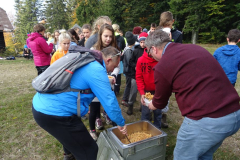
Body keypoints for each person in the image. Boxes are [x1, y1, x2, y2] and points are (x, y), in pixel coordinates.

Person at [146, 29, 240, 160]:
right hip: (234, 114)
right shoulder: (195, 48)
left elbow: (160, 102)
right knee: (204, 154)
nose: (150, 56)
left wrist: (151, 104)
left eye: (149, 52)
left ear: (154, 49)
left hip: (209, 119)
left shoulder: (163, 65)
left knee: (183, 156)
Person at [32, 46, 127, 160]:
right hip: (55, 114)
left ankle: (69, 155)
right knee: (90, 150)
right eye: (114, 66)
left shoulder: (88, 59)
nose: (113, 70)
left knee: (71, 141)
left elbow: (83, 79)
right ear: (108, 60)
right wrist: (121, 123)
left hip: (42, 106)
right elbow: (109, 101)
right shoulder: (96, 69)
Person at [89, 24, 120, 140]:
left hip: (109, 82)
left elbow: (117, 66)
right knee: (94, 107)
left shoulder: (115, 49)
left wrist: (113, 75)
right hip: (96, 85)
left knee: (109, 104)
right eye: (105, 36)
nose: (108, 39)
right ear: (100, 35)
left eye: (110, 36)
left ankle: (113, 123)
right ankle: (92, 129)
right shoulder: (93, 50)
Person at [135, 40, 163, 129]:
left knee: (158, 112)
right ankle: (144, 130)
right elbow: (139, 78)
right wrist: (142, 93)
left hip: (158, 90)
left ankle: (157, 129)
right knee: (146, 112)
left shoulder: (160, 60)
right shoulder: (141, 60)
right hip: (146, 92)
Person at [122, 31, 136, 115]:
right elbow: (129, 61)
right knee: (128, 85)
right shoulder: (128, 50)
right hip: (129, 71)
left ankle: (127, 98)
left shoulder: (129, 49)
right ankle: (124, 99)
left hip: (128, 70)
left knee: (130, 85)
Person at [112, 24, 126, 95]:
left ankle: (112, 88)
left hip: (111, 57)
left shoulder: (110, 37)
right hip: (119, 57)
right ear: (118, 29)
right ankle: (117, 89)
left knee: (111, 72)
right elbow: (123, 47)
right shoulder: (121, 38)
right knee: (118, 73)